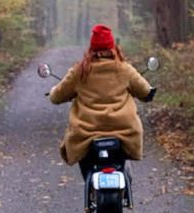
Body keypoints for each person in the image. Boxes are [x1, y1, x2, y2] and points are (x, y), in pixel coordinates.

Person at [48, 24, 156, 178]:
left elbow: (56, 96)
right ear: (113, 47)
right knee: (124, 163)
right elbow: (145, 92)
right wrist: (148, 93)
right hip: (124, 131)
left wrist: (53, 92)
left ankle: (90, 186)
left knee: (85, 163)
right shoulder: (124, 69)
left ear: (91, 48)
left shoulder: (80, 71)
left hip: (87, 133)